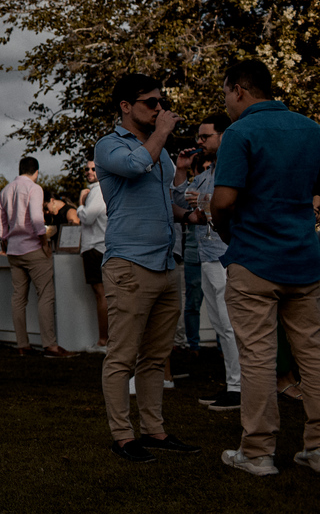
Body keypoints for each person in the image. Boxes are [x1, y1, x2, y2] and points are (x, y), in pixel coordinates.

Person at [210, 59, 320, 476]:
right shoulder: (312, 129)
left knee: (256, 358)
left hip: (255, 259)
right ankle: (318, 447)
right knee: (313, 355)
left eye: (225, 93)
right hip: (305, 260)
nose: (226, 102)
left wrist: (227, 234)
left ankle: (257, 453)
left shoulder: (241, 132)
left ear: (239, 90)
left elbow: (222, 202)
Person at [95, 72, 200, 463]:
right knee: (122, 356)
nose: (160, 108)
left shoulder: (163, 153)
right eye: (150, 102)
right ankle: (122, 436)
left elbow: (164, 197)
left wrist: (189, 216)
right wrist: (161, 133)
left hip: (165, 262)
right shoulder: (109, 146)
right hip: (130, 264)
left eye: (161, 102)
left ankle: (154, 431)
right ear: (126, 106)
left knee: (156, 357)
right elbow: (138, 166)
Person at [172, 114, 241, 413]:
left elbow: (236, 203)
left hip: (227, 255)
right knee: (221, 326)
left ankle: (239, 388)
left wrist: (203, 200)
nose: (199, 142)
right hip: (207, 256)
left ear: (223, 136)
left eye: (205, 136)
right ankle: (233, 384)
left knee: (230, 325)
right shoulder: (209, 170)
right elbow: (178, 196)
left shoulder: (235, 166)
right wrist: (180, 170)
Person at [0, 157, 75, 358]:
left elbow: (0, 222)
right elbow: (36, 218)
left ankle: (23, 344)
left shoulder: (5, 191)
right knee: (46, 295)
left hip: (13, 250)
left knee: (18, 298)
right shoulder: (34, 188)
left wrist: (5, 239)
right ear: (36, 172)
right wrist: (45, 242)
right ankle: (50, 345)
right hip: (32, 248)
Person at [78, 159, 109, 353]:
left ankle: (104, 341)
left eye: (94, 169)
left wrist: (80, 203)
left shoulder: (98, 191)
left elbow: (88, 216)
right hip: (99, 246)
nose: (89, 172)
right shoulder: (101, 189)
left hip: (96, 247)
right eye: (87, 169)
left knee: (101, 295)